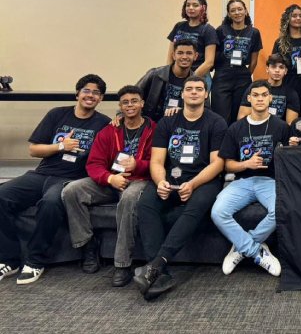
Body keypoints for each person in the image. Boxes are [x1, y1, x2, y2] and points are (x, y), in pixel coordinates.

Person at [0, 74, 110, 285]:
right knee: (1, 196)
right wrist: (61, 146)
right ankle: (9, 259)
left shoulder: (104, 123)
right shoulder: (57, 114)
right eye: (86, 91)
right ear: (77, 93)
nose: (90, 95)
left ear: (101, 98)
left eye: (96, 93)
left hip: (70, 179)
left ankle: (35, 260)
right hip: (41, 174)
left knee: (50, 203)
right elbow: (34, 150)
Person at [134, 76, 227, 300]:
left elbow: (217, 163)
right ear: (182, 94)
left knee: (196, 206)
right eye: (189, 89)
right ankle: (159, 272)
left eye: (199, 89)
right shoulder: (167, 122)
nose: (194, 92)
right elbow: (157, 161)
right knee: (146, 204)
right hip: (170, 177)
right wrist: (160, 182)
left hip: (203, 180)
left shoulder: (216, 122)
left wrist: (193, 184)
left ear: (206, 94)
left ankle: (156, 265)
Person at [62, 85, 155, 287]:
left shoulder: (154, 130)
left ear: (142, 104)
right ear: (120, 106)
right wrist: (110, 179)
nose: (130, 105)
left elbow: (160, 163)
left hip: (140, 180)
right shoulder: (109, 131)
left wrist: (138, 165)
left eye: (134, 101)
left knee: (129, 198)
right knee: (71, 190)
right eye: (125, 102)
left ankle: (122, 264)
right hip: (111, 181)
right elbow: (94, 164)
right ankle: (88, 245)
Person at [211, 80, 290, 277]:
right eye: (256, 95)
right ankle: (255, 251)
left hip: (270, 181)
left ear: (270, 98)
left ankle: (241, 247)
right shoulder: (236, 128)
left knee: (279, 210)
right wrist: (246, 164)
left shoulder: (281, 127)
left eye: (264, 95)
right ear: (249, 99)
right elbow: (228, 164)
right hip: (242, 181)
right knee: (218, 212)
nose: (260, 99)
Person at [211, 0, 262, 124]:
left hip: (242, 78)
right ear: (229, 14)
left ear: (245, 11)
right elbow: (214, 54)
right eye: (233, 10)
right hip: (222, 76)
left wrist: (246, 74)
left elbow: (254, 60)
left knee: (239, 117)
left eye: (240, 9)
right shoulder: (221, 30)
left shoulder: (254, 32)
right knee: (221, 116)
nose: (237, 13)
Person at [137, 40, 196, 121]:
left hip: (181, 125)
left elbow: (205, 110)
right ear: (173, 55)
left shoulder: (197, 82)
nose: (184, 57)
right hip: (152, 124)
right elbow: (133, 95)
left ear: (195, 56)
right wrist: (121, 115)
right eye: (180, 53)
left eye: (189, 53)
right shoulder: (155, 74)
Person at [166, 0, 217, 86]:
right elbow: (170, 55)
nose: (190, 8)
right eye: (188, 5)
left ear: (203, 8)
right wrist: (168, 74)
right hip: (176, 76)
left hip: (199, 77)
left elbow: (209, 62)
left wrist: (190, 79)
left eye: (195, 5)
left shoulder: (209, 30)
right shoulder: (179, 26)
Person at [237, 54, 300, 124]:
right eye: (273, 67)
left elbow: (291, 124)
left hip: (279, 129)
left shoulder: (291, 93)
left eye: (281, 67)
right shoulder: (255, 88)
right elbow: (241, 118)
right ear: (267, 69)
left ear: (285, 71)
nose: (277, 70)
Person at [272, 4, 301, 115]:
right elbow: (274, 64)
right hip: (287, 84)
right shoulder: (280, 42)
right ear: (287, 19)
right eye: (294, 16)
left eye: (300, 16)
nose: (298, 18)